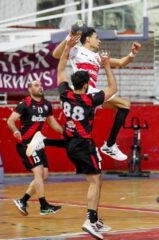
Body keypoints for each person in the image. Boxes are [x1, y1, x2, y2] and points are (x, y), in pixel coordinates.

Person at [56, 35, 117, 239]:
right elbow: (113, 89)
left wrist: (67, 48)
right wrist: (107, 65)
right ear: (86, 83)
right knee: (95, 181)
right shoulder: (90, 99)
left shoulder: (65, 93)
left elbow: (61, 69)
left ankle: (95, 219)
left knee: (96, 180)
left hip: (71, 143)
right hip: (84, 143)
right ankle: (90, 220)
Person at [52, 25, 141, 161]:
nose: (99, 41)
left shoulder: (97, 57)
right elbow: (56, 54)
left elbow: (121, 63)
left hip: (92, 94)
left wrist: (132, 54)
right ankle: (108, 146)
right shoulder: (77, 50)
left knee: (122, 106)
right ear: (88, 39)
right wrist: (68, 37)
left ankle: (106, 146)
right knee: (123, 104)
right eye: (96, 38)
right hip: (82, 92)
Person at [7, 80, 63, 216]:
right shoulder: (24, 104)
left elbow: (53, 124)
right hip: (26, 144)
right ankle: (43, 206)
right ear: (29, 89)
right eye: (36, 85)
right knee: (38, 173)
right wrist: (15, 130)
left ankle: (23, 200)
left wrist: (66, 133)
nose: (40, 87)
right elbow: (10, 120)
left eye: (41, 85)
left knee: (44, 175)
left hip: (38, 143)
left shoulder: (46, 105)